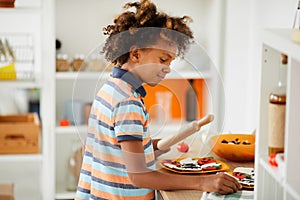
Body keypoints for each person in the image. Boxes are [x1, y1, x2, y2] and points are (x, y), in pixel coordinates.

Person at [75, 0, 242, 199]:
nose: (167, 68)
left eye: (170, 62)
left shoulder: (110, 88)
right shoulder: (127, 102)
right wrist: (203, 181)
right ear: (136, 53)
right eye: (163, 60)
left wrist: (150, 147)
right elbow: (139, 177)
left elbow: (113, 148)